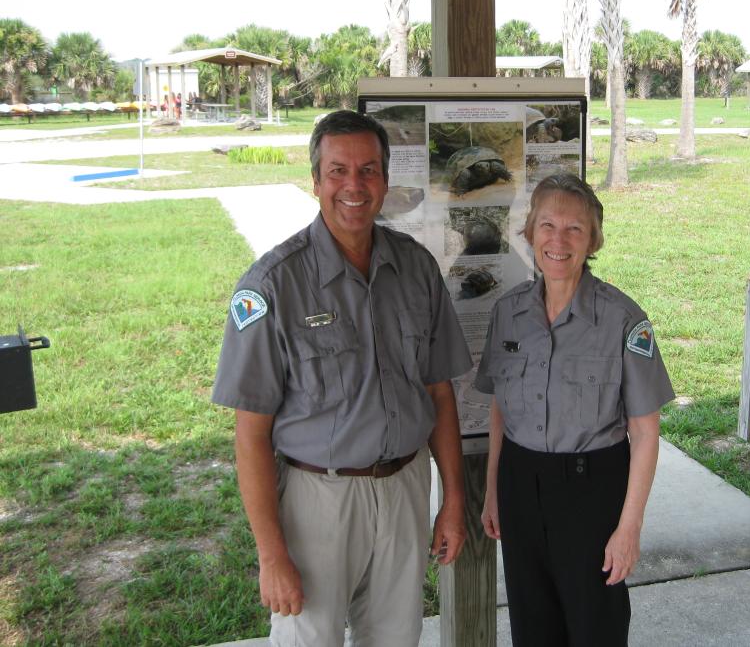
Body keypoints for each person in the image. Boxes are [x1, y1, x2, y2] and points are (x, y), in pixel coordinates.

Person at [212, 110, 472, 646]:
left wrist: (451, 501)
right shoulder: (271, 286)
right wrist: (272, 554)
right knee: (312, 638)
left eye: (369, 170)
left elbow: (439, 392)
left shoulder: (417, 268)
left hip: (404, 490)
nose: (354, 185)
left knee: (396, 639)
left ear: (385, 180)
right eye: (338, 171)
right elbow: (250, 435)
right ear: (316, 181)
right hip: (318, 503)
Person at [476, 173, 674, 647]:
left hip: (592, 493)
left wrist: (629, 528)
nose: (558, 241)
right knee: (532, 624)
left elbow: (645, 434)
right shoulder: (508, 312)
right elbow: (501, 408)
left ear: (593, 240)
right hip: (521, 486)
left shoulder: (623, 320)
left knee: (594, 629)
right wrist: (492, 491)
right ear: (530, 233)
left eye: (574, 230)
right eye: (547, 226)